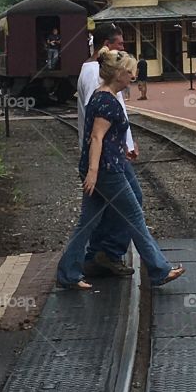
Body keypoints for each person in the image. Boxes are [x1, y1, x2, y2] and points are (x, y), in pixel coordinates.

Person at [57, 50, 186, 290]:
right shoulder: (107, 101)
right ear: (118, 74)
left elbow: (106, 138)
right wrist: (94, 172)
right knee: (135, 216)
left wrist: (121, 150)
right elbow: (96, 137)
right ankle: (159, 270)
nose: (133, 76)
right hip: (107, 171)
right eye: (129, 72)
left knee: (87, 222)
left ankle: (68, 273)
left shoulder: (100, 95)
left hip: (105, 165)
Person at [76, 23, 139, 277]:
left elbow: (116, 112)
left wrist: (130, 143)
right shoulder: (96, 75)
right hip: (107, 156)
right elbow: (101, 122)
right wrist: (122, 148)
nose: (123, 49)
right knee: (132, 203)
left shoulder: (95, 71)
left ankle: (92, 257)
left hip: (111, 152)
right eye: (119, 45)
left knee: (96, 209)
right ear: (105, 45)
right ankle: (108, 253)